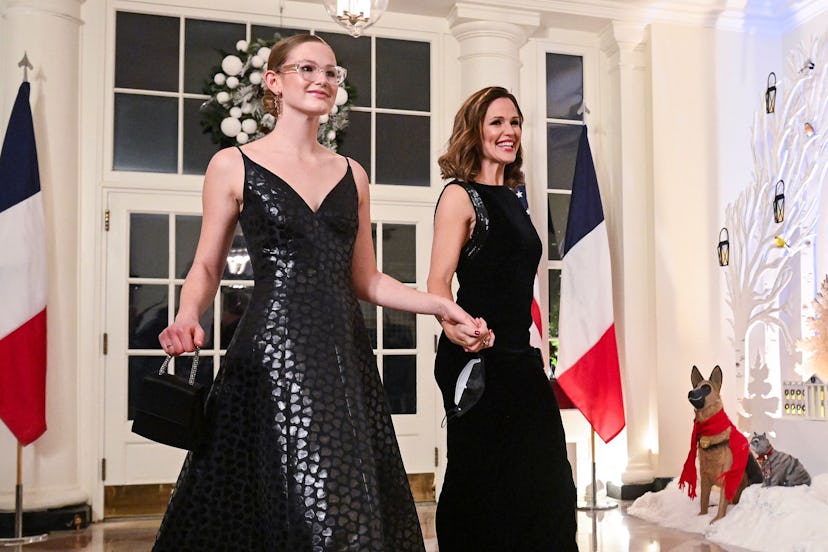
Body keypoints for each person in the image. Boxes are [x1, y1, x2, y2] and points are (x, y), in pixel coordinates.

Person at [153, 34, 485, 551]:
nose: (321, 80)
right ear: (273, 82)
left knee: (339, 493)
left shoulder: (352, 174)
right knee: (269, 497)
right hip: (271, 355)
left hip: (341, 352)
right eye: (307, 68)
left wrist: (441, 304)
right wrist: (186, 313)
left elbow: (368, 280)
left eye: (331, 73)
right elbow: (206, 263)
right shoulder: (234, 164)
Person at [427, 86, 578, 551]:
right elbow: (437, 285)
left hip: (519, 356)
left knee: (548, 484)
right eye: (497, 122)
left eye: (515, 122)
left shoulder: (514, 198)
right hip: (476, 360)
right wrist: (456, 326)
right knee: (484, 487)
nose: (509, 131)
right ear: (474, 130)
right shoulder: (459, 197)